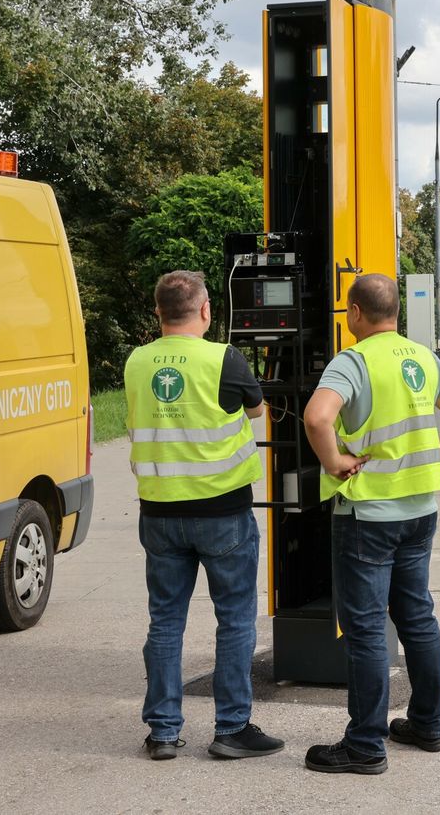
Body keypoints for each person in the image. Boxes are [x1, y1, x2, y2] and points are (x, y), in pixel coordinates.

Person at [301, 273, 440, 775]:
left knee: (366, 630)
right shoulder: (422, 356)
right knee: (417, 616)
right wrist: (439, 462)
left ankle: (364, 744)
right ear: (396, 311)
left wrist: (334, 462)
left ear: (355, 312)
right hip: (420, 512)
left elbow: (316, 418)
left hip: (368, 515)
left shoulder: (353, 361)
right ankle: (427, 723)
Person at [125, 270, 283, 761]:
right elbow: (256, 411)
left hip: (159, 514)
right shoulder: (224, 359)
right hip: (222, 514)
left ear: (157, 312)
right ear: (207, 311)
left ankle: (164, 732)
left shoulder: (136, 361)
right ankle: (231, 728)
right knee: (234, 620)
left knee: (165, 621)